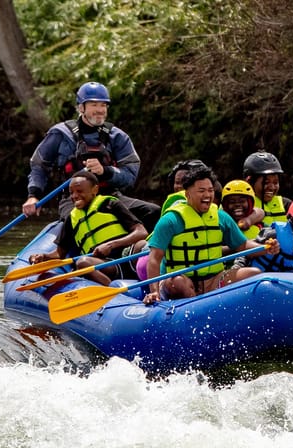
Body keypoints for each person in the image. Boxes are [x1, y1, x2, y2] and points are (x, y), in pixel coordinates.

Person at [21, 81, 161, 230]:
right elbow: (39, 166)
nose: (100, 110)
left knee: (153, 211)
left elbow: (130, 175)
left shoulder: (117, 136)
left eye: (103, 105)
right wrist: (33, 195)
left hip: (109, 196)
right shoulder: (61, 134)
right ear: (81, 107)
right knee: (76, 221)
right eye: (94, 105)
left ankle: (146, 249)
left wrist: (105, 171)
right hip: (73, 199)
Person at [142, 166, 279, 304]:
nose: (207, 195)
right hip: (180, 280)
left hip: (214, 279)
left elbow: (242, 245)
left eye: (210, 190)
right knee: (179, 283)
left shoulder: (221, 217)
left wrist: (264, 248)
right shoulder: (171, 220)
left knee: (253, 273)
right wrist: (154, 291)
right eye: (201, 191)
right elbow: (154, 259)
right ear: (188, 194)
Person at [28, 170, 147, 286]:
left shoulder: (110, 205)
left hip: (127, 255)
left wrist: (111, 245)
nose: (74, 196)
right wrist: (43, 257)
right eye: (71, 192)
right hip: (105, 264)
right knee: (83, 263)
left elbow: (141, 232)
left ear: (94, 190)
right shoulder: (71, 219)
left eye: (79, 191)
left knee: (142, 245)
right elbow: (59, 254)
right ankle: (115, 293)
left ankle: (156, 288)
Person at [228, 197, 293, 281]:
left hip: (280, 286)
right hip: (255, 281)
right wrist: (237, 269)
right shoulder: (273, 234)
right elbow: (245, 253)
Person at [242, 151, 293, 226]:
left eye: (275, 182)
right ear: (249, 181)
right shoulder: (239, 205)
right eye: (266, 183)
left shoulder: (286, 205)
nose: (272, 187)